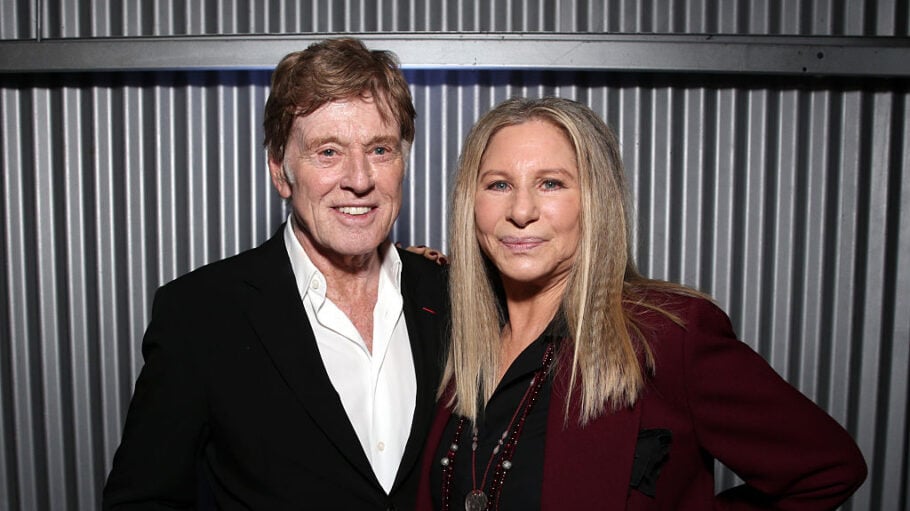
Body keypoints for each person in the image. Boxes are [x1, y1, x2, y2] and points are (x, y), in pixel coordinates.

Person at [415, 97, 867, 510]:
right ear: (469, 205)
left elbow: (827, 469)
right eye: (498, 184)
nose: (521, 210)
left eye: (551, 183)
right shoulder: (456, 334)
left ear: (596, 203)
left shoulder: (667, 335)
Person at [103, 38, 447, 510]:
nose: (360, 178)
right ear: (279, 171)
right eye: (328, 151)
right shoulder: (200, 315)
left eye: (380, 149)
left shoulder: (451, 297)